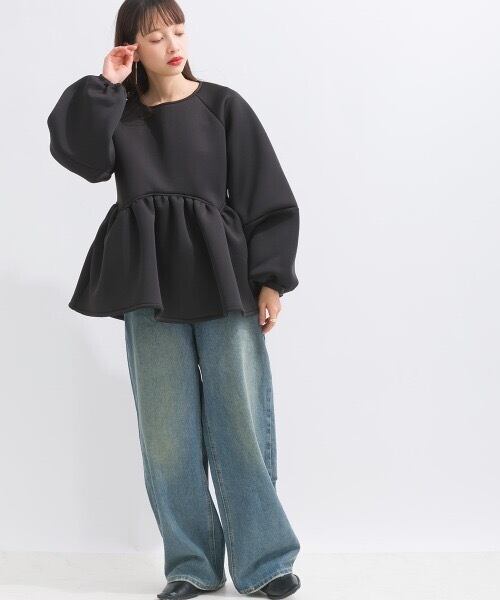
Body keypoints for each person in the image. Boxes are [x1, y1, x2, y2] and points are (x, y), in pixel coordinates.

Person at [46, 1, 301, 598]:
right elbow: (81, 156)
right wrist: (106, 85)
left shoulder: (222, 106)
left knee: (239, 420)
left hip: (223, 279)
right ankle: (191, 564)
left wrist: (270, 278)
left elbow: (266, 192)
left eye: (178, 30)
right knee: (166, 432)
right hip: (148, 282)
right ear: (131, 46)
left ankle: (265, 562)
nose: (172, 44)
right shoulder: (120, 114)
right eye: (155, 36)